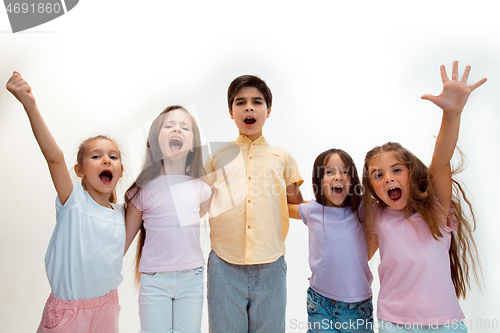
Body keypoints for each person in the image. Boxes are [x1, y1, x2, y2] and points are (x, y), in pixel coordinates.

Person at [362, 61, 486, 333]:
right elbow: (359, 255)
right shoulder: (377, 215)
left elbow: (441, 162)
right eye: (378, 175)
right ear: (371, 187)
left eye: (396, 170)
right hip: (394, 323)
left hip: (445, 323)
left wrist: (452, 114)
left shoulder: (437, 209)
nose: (388, 179)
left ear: (412, 173)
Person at [6, 72, 125, 333]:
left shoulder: (122, 214)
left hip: (107, 309)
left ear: (120, 171)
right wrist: (30, 104)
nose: (106, 160)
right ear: (80, 170)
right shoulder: (74, 203)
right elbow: (54, 158)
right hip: (69, 314)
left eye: (113, 156)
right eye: (96, 156)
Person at [203, 75, 304, 333]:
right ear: (230, 111)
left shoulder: (282, 157)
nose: (249, 107)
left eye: (257, 102)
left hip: (271, 264)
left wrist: (329, 211)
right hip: (224, 265)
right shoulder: (216, 157)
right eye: (241, 102)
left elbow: (297, 207)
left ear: (268, 111)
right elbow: (198, 204)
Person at [124, 106, 211, 333]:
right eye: (169, 125)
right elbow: (121, 244)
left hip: (191, 279)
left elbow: (214, 219)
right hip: (154, 281)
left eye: (185, 127)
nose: (177, 130)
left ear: (192, 145)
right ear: (154, 140)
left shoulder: (201, 187)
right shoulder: (141, 191)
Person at [288, 148, 374, 333]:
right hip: (320, 303)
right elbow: (282, 208)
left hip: (357, 306)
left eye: (345, 172)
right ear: (318, 181)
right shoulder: (312, 210)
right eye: (330, 172)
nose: (338, 177)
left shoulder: (362, 210)